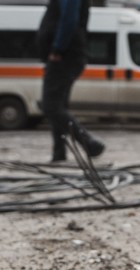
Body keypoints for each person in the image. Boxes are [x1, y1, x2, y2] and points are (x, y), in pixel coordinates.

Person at [38, 0, 104, 163]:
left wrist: (58, 49)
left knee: (51, 105)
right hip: (68, 54)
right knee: (58, 106)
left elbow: (68, 19)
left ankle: (89, 143)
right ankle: (59, 152)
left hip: (64, 56)